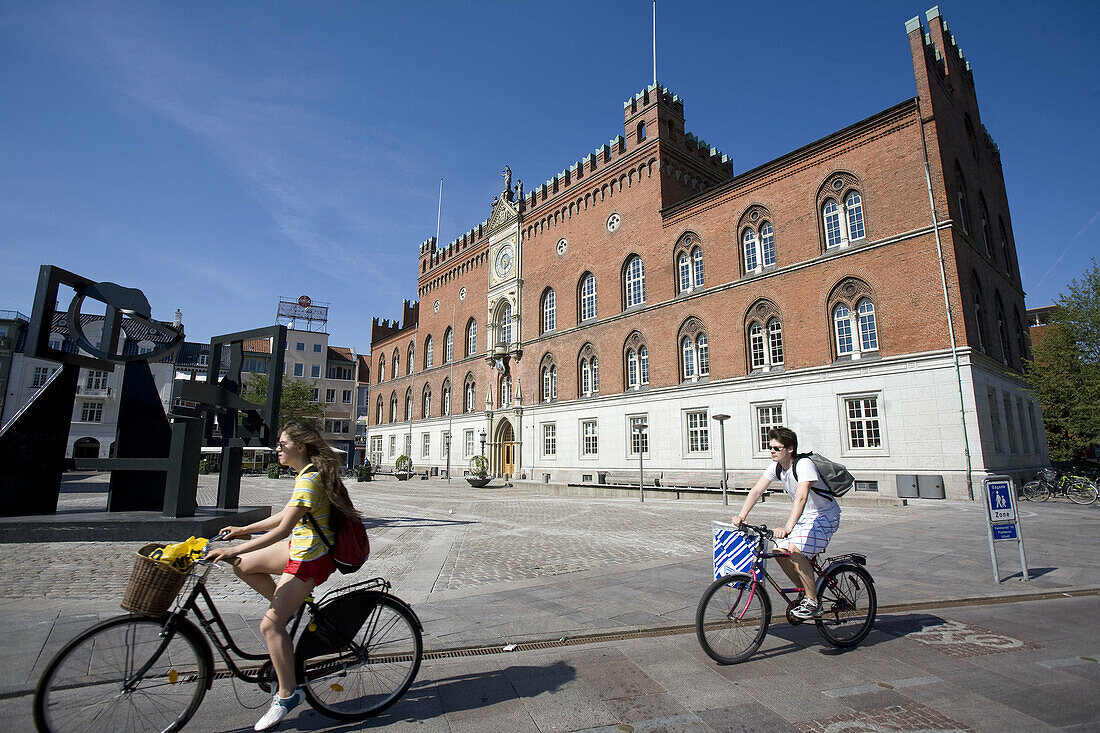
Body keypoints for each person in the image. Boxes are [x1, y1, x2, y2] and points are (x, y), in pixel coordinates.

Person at [206, 420, 360, 731]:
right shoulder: (306, 475)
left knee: (269, 625)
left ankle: (288, 694)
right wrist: (244, 530)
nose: (278, 449)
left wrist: (231, 547)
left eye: (283, 444)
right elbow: (289, 513)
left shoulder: (308, 479)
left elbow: (283, 529)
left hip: (310, 559)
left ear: (299, 447)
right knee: (243, 563)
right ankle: (287, 605)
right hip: (298, 549)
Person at [731, 426, 840, 620]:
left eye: (777, 447)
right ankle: (806, 592)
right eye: (770, 447)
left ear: (790, 448)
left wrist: (789, 527)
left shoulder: (804, 464)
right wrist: (742, 516)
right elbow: (757, 490)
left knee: (794, 548)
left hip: (825, 517)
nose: (772, 451)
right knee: (779, 552)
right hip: (806, 518)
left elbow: (801, 497)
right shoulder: (776, 467)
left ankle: (813, 602)